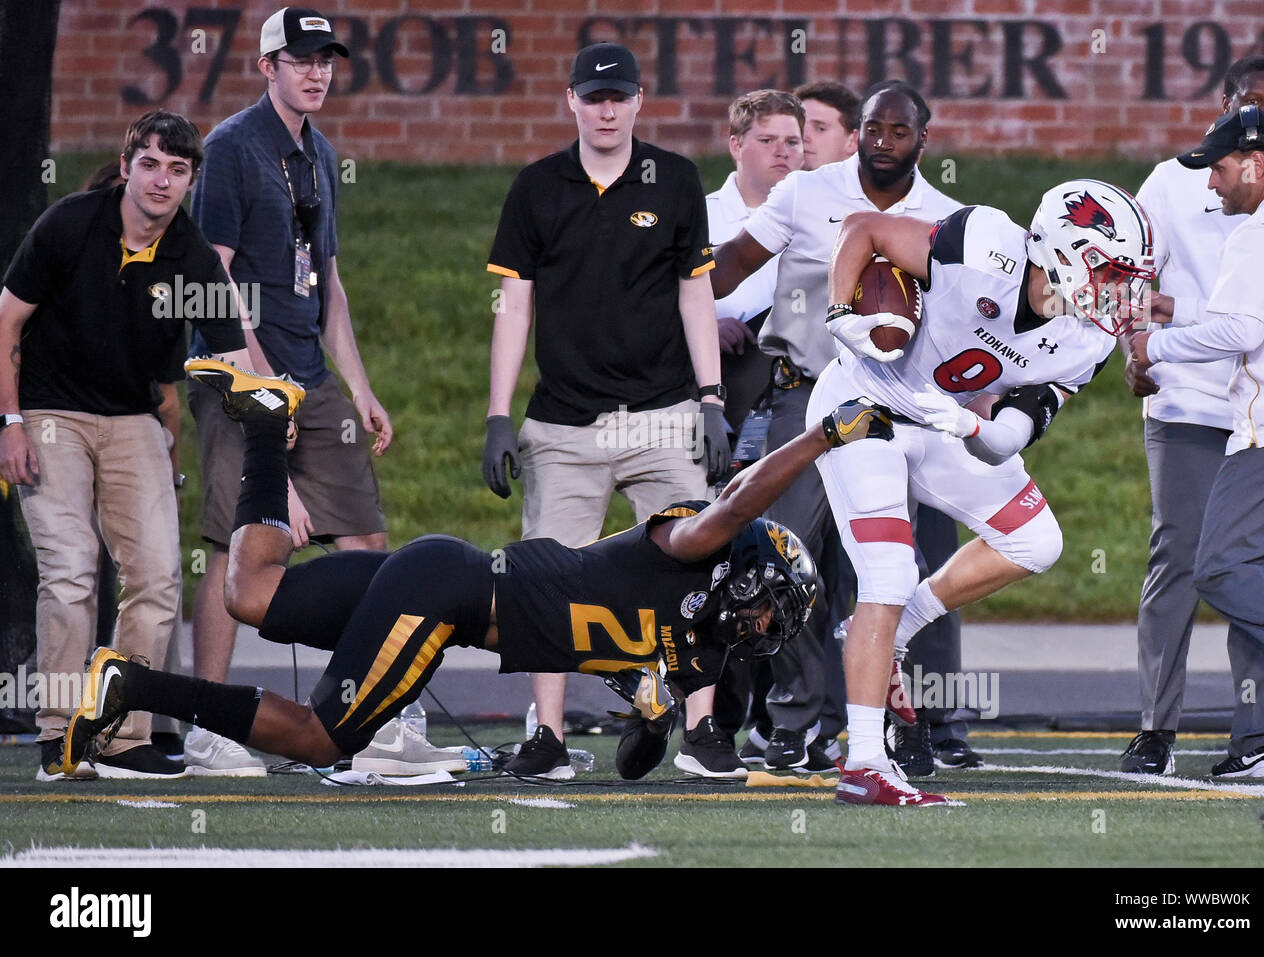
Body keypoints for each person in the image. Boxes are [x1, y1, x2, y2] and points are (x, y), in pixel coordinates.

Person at [59, 359, 894, 784]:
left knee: (251, 593)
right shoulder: (688, 545)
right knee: (325, 738)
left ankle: (266, 429)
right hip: (453, 591)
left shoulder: (701, 653)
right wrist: (822, 437)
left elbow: (636, 763)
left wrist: (650, 705)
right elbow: (740, 503)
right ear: (744, 578)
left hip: (444, 590)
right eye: (765, 609)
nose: (762, 628)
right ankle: (132, 687)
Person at [815, 178, 1156, 805]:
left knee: (1035, 540)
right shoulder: (981, 244)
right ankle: (863, 761)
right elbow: (863, 228)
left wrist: (974, 424)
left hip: (944, 421)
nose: (1123, 293)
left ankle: (899, 629)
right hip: (864, 404)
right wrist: (841, 314)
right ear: (1061, 251)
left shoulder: (1086, 341)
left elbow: (1004, 440)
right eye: (1110, 272)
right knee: (887, 572)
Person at [481, 42, 732, 778]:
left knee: (700, 565)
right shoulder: (536, 187)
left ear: (639, 100)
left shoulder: (677, 180)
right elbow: (514, 303)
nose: (607, 108)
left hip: (662, 412)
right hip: (563, 419)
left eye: (618, 96)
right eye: (594, 97)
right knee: (544, 576)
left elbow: (695, 294)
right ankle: (549, 733)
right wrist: (500, 414)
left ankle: (703, 727)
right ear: (571, 102)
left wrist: (711, 400)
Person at [710, 80, 962, 774]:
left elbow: (973, 314)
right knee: (786, 558)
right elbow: (733, 263)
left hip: (895, 409)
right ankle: (793, 720)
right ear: (860, 135)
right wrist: (666, 282)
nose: (883, 143)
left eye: (898, 132)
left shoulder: (946, 215)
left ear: (923, 139)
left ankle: (882, 724)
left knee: (883, 575)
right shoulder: (807, 190)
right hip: (808, 399)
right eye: (874, 129)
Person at [0, 111, 251, 780]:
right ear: (126, 162)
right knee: (73, 568)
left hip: (133, 418)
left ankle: (117, 733)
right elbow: (6, 317)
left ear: (192, 179)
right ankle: (57, 734)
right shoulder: (70, 223)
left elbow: (233, 360)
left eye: (177, 169)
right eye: (150, 163)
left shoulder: (193, 255)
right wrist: (9, 422)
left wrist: (273, 409)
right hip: (50, 411)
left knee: (159, 576)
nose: (162, 180)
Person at [186, 7, 392, 776]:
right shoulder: (233, 147)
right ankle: (208, 721)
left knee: (368, 541)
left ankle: (351, 722)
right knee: (234, 548)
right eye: (301, 59)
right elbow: (217, 279)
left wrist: (358, 387)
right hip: (240, 373)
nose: (317, 72)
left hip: (308, 373)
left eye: (326, 61)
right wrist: (263, 387)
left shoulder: (321, 152)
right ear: (266, 65)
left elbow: (328, 285)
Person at [1118, 56, 1264, 776]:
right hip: (1198, 404)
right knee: (1193, 562)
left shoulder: (1262, 221)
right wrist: (1154, 326)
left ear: (1253, 160)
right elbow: (1128, 275)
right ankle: (1171, 727)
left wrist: (1156, 338)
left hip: (1263, 414)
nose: (1210, 179)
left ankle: (1260, 735)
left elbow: (1243, 327)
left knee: (1231, 568)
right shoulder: (1172, 182)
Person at [707, 89, 803, 433]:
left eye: (793, 141)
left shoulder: (822, 223)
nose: (782, 151)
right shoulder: (696, 217)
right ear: (735, 145)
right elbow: (650, 302)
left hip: (799, 394)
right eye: (767, 140)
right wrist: (703, 329)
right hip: (711, 388)